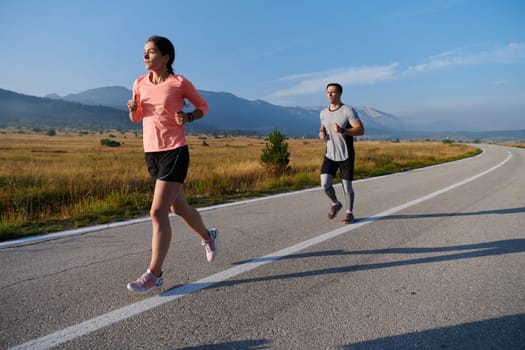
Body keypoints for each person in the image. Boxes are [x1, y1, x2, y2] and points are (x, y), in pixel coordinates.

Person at [126, 35, 218, 294]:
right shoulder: (139, 83)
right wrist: (133, 108)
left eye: (151, 52)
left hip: (175, 151)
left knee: (157, 212)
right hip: (151, 152)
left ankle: (154, 274)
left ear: (166, 57)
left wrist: (189, 116)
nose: (145, 56)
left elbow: (203, 106)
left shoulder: (179, 83)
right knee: (180, 208)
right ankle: (208, 237)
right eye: (144, 51)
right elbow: (137, 118)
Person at [319, 83, 365, 224]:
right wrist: (322, 134)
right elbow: (323, 128)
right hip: (330, 154)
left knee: (347, 186)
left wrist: (343, 130)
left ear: (339, 94)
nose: (330, 95)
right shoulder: (323, 113)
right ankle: (335, 203)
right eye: (328, 92)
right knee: (325, 184)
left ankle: (349, 213)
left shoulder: (348, 111)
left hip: (346, 154)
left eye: (333, 92)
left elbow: (361, 130)